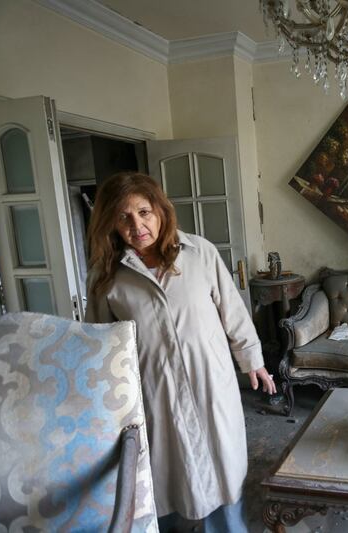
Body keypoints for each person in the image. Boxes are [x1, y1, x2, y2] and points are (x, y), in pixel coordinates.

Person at [85, 172, 275, 532]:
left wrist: (252, 360)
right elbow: (99, 345)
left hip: (210, 381)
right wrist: (104, 405)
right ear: (110, 221)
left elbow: (231, 310)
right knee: (168, 472)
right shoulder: (106, 276)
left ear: (160, 210)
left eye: (144, 211)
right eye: (124, 216)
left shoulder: (198, 252)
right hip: (154, 391)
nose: (137, 225)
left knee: (222, 467)